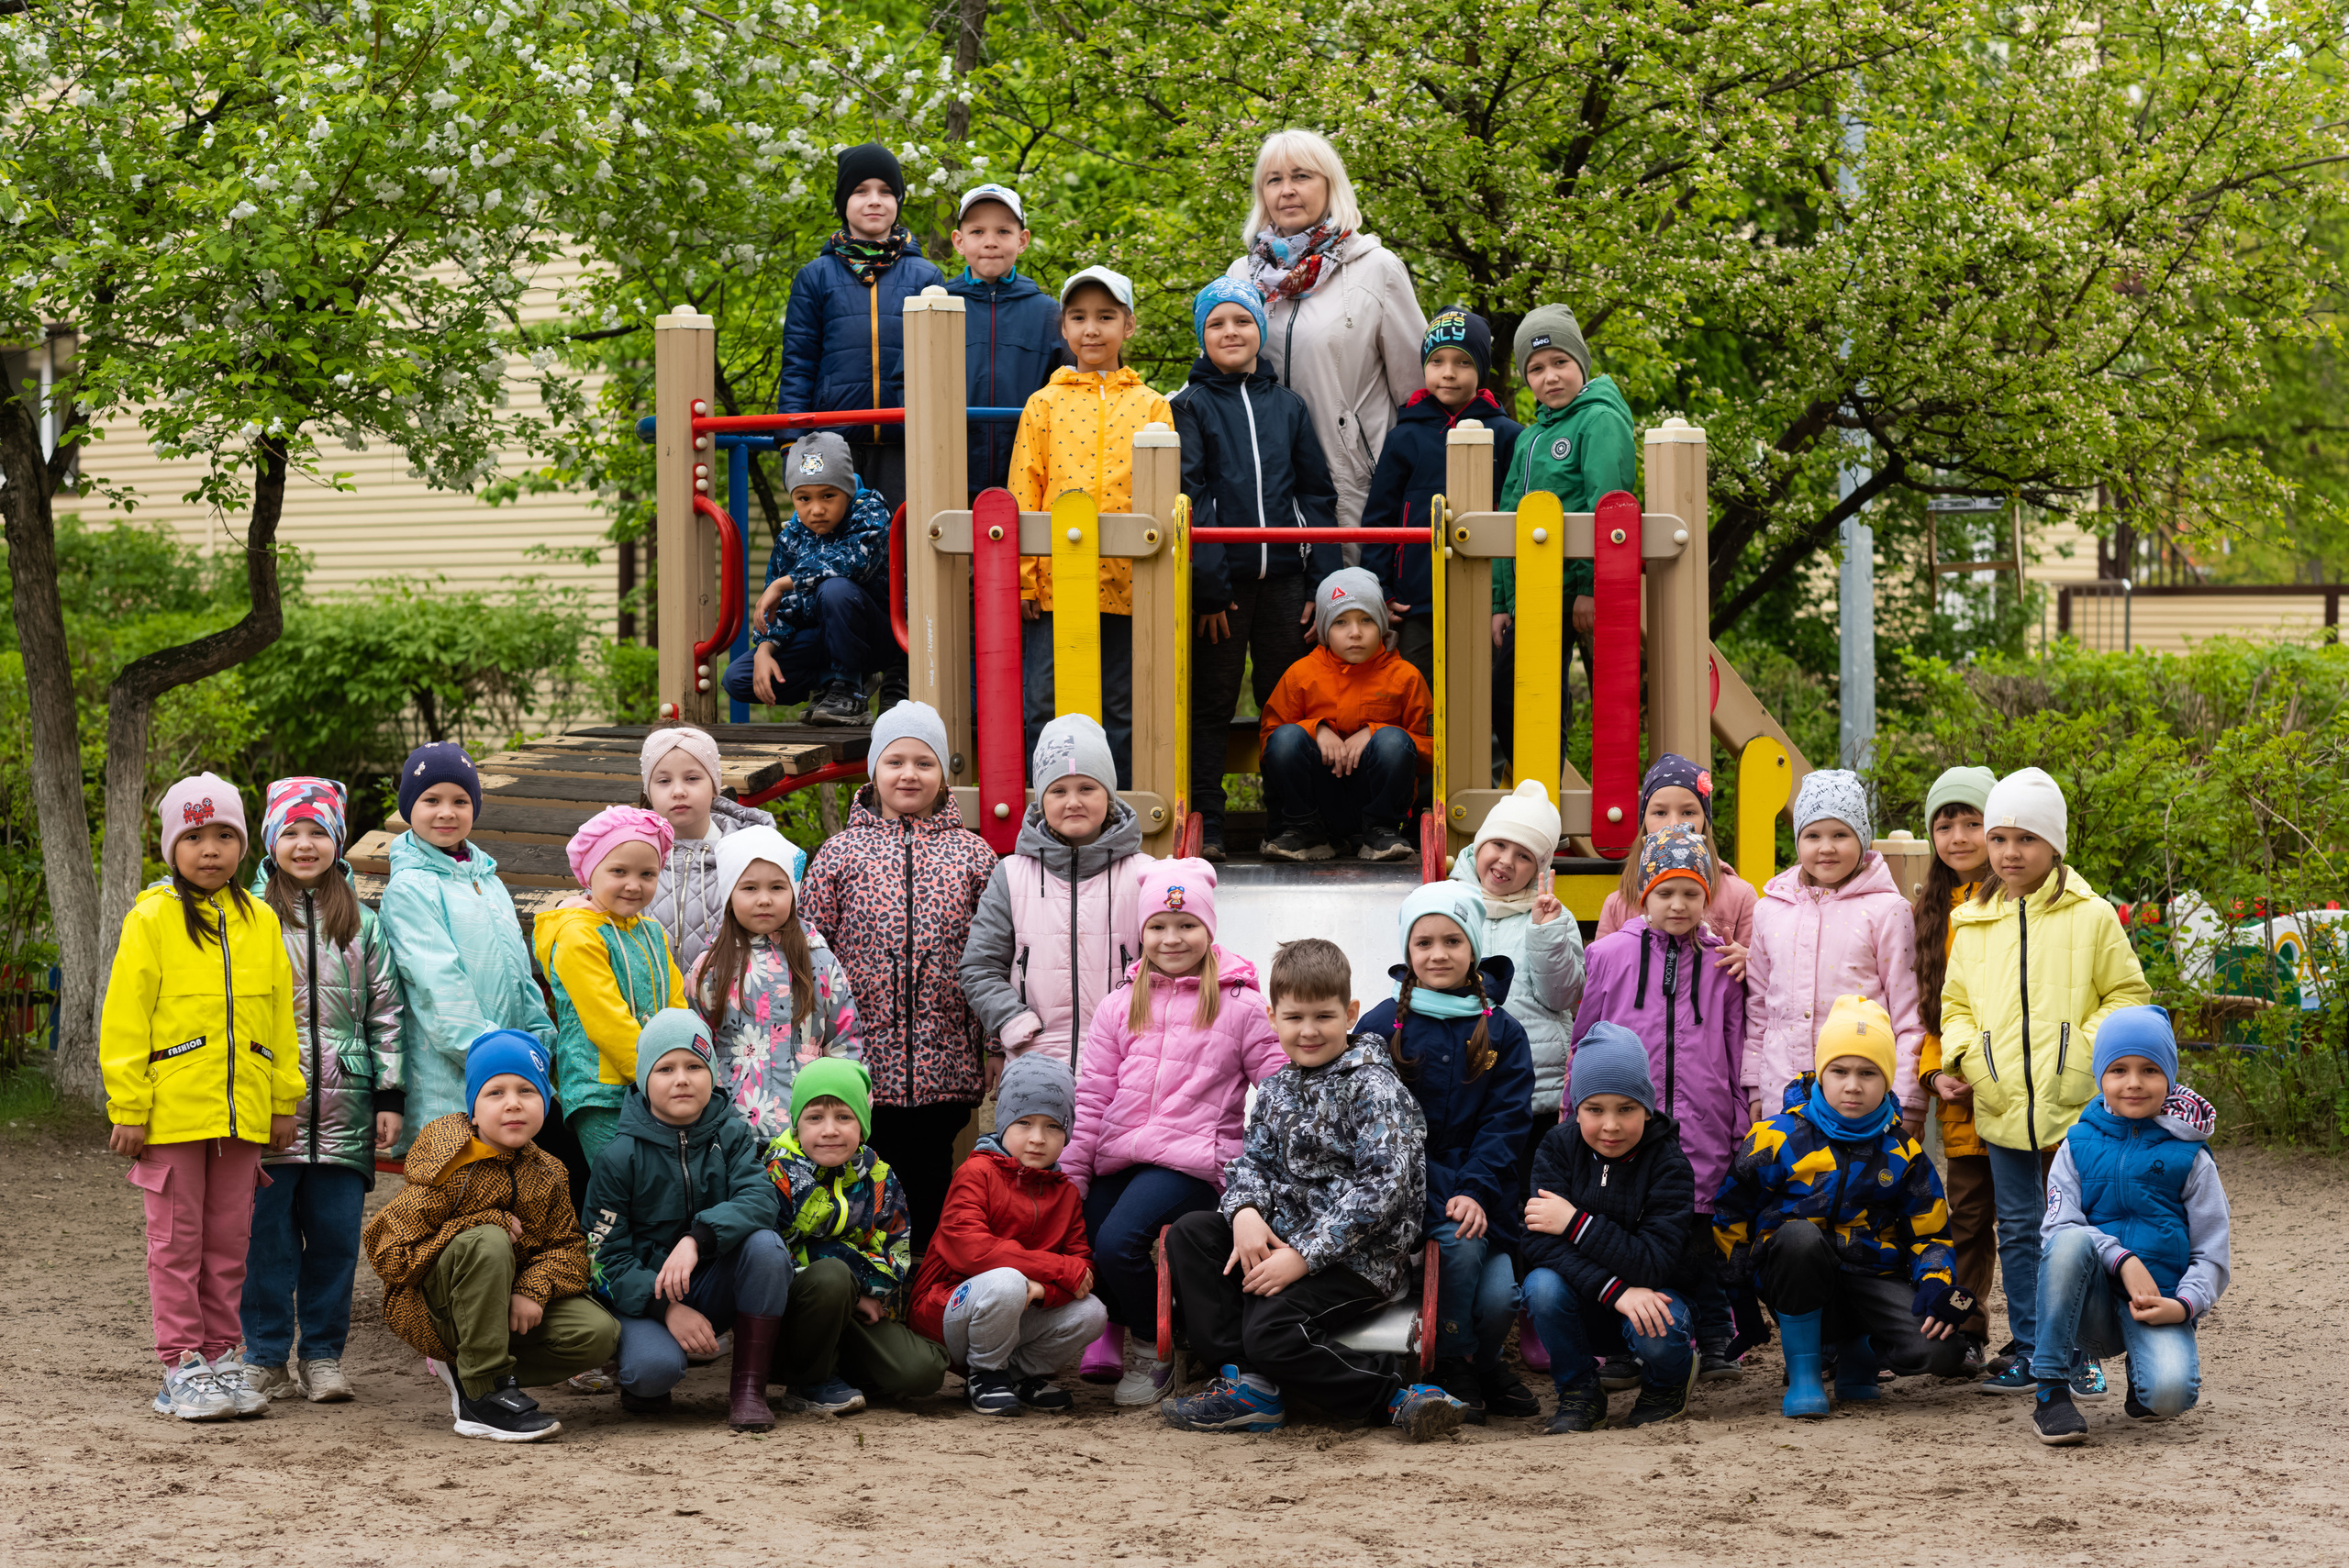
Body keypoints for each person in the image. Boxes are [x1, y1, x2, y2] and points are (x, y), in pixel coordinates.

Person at [1159, 938, 1466, 1441]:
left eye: (1323, 1017)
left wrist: (1304, 1255)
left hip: (1357, 1260)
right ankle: (1250, 1382)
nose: (1308, 1031)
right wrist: (1245, 1213)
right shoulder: (1277, 1089)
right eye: (1294, 1017)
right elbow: (1251, 1163)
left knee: (1272, 1331)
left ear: (1349, 1012)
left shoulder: (1373, 1086)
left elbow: (1382, 1188)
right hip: (1284, 1239)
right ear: (1272, 1017)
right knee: (1191, 1235)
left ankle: (1394, 1398)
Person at [1939, 767, 2154, 1396]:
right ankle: (2035, 1350)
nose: (2009, 852)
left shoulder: (2090, 916)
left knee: (2077, 1232)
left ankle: (2081, 1353)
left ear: (2054, 843)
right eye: (1999, 837)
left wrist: (2082, 1051)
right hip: (2003, 1104)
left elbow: (2128, 994)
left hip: (2077, 1110)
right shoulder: (1973, 919)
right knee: (2021, 1231)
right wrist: (1967, 1056)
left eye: (2025, 838)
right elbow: (1954, 1006)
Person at [103, 774, 304, 1422]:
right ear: (171, 845)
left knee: (228, 1240)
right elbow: (125, 1019)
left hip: (244, 1113)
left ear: (244, 844)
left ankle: (220, 1356)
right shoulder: (151, 918)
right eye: (194, 836)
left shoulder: (260, 919)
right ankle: (180, 1364)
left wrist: (282, 1098)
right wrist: (129, 1106)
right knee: (176, 1240)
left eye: (223, 835)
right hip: (171, 1114)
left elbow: (279, 1017)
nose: (210, 849)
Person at [1062, 860, 1288, 1406]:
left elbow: (1281, 1091)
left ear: (1209, 930)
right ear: (1141, 933)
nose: (1172, 937)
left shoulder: (1241, 1005)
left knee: (1121, 1243)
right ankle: (1144, 1322)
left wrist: (1264, 1166)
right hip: (1122, 1153)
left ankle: (1157, 1344)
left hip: (1193, 1161)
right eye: (1158, 926)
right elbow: (1093, 1095)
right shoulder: (1121, 1004)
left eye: (1186, 925)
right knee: (1088, 1235)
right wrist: (1074, 1173)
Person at [1712, 995, 1975, 1419]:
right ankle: (1806, 1374)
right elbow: (1732, 1210)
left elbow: (1931, 1233)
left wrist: (1934, 1282)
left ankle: (1861, 1352)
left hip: (1873, 1278)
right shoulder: (1775, 1138)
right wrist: (1738, 1288)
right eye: (1840, 1071)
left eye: (1868, 1073)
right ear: (1821, 1074)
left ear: (1887, 1081)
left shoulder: (1904, 1152)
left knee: (1942, 1353)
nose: (1853, 1085)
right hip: (1795, 1275)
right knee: (1798, 1237)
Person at [797, 701, 998, 1252]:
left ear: (944, 773)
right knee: (868, 1184)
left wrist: (997, 1042)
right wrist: (812, 1043)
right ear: (873, 770)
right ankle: (875, 1290)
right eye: (895, 761)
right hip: (862, 1064)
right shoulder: (840, 855)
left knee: (932, 1182)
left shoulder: (973, 856)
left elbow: (998, 957)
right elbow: (811, 955)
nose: (909, 774)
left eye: (924, 762)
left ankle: (927, 1298)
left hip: (946, 1062)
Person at [362, 1031, 619, 1442]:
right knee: (489, 1239)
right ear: (474, 1111)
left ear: (545, 1104)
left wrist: (532, 1290)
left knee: (597, 1334)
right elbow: (388, 1251)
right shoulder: (449, 1164)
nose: (513, 1103)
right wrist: (473, 1225)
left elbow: (569, 1250)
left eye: (527, 1091)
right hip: (434, 1310)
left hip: (501, 1308)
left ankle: (474, 1368)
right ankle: (482, 1396)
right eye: (495, 1092)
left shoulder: (549, 1172)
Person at [240, 777, 405, 1406]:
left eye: (317, 832)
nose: (304, 844)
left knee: (335, 1240)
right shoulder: (251, 916)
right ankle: (264, 1353)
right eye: (291, 831)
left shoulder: (362, 922)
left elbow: (387, 1011)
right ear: (271, 840)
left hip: (347, 1107)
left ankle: (323, 1356)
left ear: (337, 842)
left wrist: (388, 1096)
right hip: (269, 1111)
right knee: (267, 1239)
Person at [1170, 275, 1343, 860]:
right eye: (1216, 323)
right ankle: (1207, 821)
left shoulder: (1289, 406)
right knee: (1211, 701)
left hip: (1287, 584)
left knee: (1287, 700)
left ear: (1260, 331)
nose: (1231, 332)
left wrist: (1322, 582)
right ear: (1202, 337)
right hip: (1224, 589)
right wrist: (1210, 589)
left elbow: (1317, 496)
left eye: (1242, 321)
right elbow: (1193, 496)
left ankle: (1293, 820)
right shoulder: (1187, 406)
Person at [1572, 825, 1747, 1380]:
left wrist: (1740, 1118)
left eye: (1692, 892)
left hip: (1704, 1119)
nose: (1678, 904)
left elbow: (1737, 1044)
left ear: (1708, 897)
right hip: (1628, 1123)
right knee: (1623, 1224)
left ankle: (1717, 1336)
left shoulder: (1724, 966)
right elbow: (1585, 1037)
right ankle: (1620, 1344)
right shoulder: (1608, 956)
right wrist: (1576, 1110)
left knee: (1701, 1234)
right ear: (1644, 893)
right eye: (1666, 891)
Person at [1357, 883, 1537, 1423]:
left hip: (1484, 1189)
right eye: (1424, 942)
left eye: (1453, 941)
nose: (1438, 955)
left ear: (1473, 948)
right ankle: (1453, 1365)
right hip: (1404, 1187)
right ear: (1407, 952)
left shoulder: (1502, 1030)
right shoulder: (1380, 1026)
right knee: (1457, 1245)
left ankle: (1480, 1361)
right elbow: (1375, 1124)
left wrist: (1475, 1189)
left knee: (1501, 1295)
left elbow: (1506, 1123)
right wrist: (1444, 1191)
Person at [2028, 1006, 2230, 1445]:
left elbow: (2212, 1253)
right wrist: (2121, 1259)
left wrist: (2185, 1306)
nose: (2134, 1082)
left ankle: (2145, 1379)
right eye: (2118, 1069)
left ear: (2170, 1078)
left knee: (2170, 1396)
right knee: (2066, 1241)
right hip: (2090, 1305)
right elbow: (2058, 1227)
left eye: (2150, 1069)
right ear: (2100, 1076)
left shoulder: (2191, 1155)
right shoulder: (2076, 1143)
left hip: (2158, 1301)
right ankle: (2051, 1391)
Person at [582, 1010, 791, 1431]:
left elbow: (760, 1199)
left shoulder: (731, 1135)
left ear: (712, 1073)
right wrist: (666, 1308)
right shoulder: (617, 1157)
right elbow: (603, 1261)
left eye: (695, 1066)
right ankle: (645, 1368)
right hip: (647, 1298)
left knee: (766, 1246)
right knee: (651, 1373)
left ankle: (748, 1389)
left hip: (713, 1282)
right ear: (644, 1078)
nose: (682, 1079)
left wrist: (697, 1238)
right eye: (666, 1068)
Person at [1006, 264, 1174, 785]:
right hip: (1056, 584)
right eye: (1078, 317)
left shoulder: (1151, 406)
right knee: (1046, 700)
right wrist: (1024, 578)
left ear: (1129, 325)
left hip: (1128, 582)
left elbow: (1165, 498)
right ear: (1063, 328)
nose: (1091, 329)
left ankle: (1115, 811)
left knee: (1121, 706)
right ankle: (1047, 809)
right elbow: (1023, 490)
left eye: (1105, 317)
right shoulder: (1044, 404)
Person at [1446, 779, 1584, 1376]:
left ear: (1541, 865)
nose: (1506, 861)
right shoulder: (1446, 903)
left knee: (1537, 1205)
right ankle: (1481, 1306)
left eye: (1524, 854)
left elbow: (1564, 994)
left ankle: (1534, 1308)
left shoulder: (1549, 915)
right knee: (1489, 1204)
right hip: (1469, 1089)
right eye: (1497, 846)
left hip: (1536, 1093)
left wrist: (1548, 933)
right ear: (1478, 846)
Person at [1224, 128, 1427, 530]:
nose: (1287, 191)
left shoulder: (1376, 268)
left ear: (1330, 184)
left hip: (1355, 489)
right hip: (1262, 488)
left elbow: (1417, 392)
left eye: (1302, 176)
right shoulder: (1242, 276)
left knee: (1351, 593)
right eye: (1274, 179)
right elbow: (1218, 378)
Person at [1520, 1024, 1706, 1432]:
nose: (1610, 1126)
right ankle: (1580, 1392)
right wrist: (1615, 1290)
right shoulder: (1557, 1147)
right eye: (1594, 1109)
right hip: (1592, 1298)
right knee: (1541, 1285)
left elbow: (1653, 1263)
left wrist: (1573, 1222)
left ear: (1648, 1107)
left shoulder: (1669, 1163)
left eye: (1626, 1109)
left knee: (1662, 1324)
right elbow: (1538, 1243)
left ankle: (1666, 1383)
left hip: (1656, 1295)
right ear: (1576, 1108)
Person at [378, 741, 554, 1153]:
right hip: (453, 1085)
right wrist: (501, 1058)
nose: (446, 812)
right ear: (409, 808)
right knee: (462, 1203)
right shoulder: (410, 889)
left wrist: (539, 1043)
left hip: (507, 1082)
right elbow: (439, 987)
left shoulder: (487, 880)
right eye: (431, 800)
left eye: (460, 800)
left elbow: (518, 971)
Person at [909, 1056, 1108, 1417]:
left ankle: (1017, 1375)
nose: (1037, 1138)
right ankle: (984, 1375)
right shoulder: (976, 1172)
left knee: (1093, 1312)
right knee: (1007, 1281)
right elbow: (971, 1249)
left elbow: (1082, 1267)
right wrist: (1052, 1271)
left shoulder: (1065, 1193)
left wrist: (1044, 1290)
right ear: (1002, 1122)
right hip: (946, 1310)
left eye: (1052, 1126)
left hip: (1017, 1310)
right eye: (1024, 1122)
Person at [959, 714, 1147, 1077]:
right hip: (1035, 1064)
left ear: (1109, 795)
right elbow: (979, 966)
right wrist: (1011, 1020)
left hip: (1126, 1062)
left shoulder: (1144, 874)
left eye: (1087, 789)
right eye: (1058, 791)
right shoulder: (1011, 875)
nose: (1073, 802)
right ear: (1042, 800)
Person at [1490, 305, 1635, 771]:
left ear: (1581, 365)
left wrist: (1592, 588)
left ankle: (1619, 816)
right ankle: (1544, 797)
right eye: (1536, 368)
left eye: (1560, 362)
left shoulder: (1599, 421)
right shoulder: (1530, 437)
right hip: (1533, 595)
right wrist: (1500, 602)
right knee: (1512, 695)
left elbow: (1607, 507)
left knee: (1612, 703)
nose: (1550, 377)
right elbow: (1506, 520)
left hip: (1582, 590)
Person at [764, 1058, 951, 1410]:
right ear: (797, 1124)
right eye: (815, 1117)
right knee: (832, 1276)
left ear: (862, 1126)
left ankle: (848, 1371)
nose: (830, 1130)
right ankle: (809, 1383)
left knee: (924, 1373)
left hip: (857, 1308)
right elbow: (769, 1254)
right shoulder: (777, 1175)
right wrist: (843, 1281)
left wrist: (858, 1291)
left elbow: (896, 1255)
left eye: (844, 1117)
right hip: (794, 1315)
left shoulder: (880, 1177)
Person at [1743, 769, 1924, 1130]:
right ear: (1797, 841)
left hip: (1864, 1099)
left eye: (1840, 834)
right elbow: (1759, 1008)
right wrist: (1754, 1086)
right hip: (1783, 1093)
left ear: (1862, 839)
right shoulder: (1769, 910)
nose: (1826, 847)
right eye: (1812, 835)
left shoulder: (1888, 911)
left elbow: (1909, 1016)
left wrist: (1907, 1101)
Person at [774, 142, 946, 512]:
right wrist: (791, 441)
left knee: (903, 544)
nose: (874, 200)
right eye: (860, 191)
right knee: (839, 547)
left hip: (905, 440)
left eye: (886, 191)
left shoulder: (926, 276)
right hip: (834, 441)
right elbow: (799, 364)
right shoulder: (815, 277)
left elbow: (940, 366)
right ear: (842, 203)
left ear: (898, 201)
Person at [1364, 308, 1525, 690]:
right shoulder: (1405, 436)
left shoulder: (1508, 435)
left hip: (1489, 596)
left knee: (1485, 688)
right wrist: (1382, 590)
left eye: (1463, 362)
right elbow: (1379, 518)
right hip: (1416, 598)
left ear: (1481, 369)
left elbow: (1517, 515)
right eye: (1437, 361)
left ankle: (1490, 754)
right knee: (1416, 690)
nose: (1448, 372)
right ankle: (1422, 752)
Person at [536, 806, 690, 1170]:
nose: (633, 884)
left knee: (660, 1180)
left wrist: (689, 1060)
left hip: (656, 1081)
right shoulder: (578, 934)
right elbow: (606, 1018)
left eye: (647, 874)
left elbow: (676, 1002)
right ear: (591, 872)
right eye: (618, 871)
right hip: (600, 1088)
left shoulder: (650, 931)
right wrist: (658, 1074)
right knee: (623, 1184)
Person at [690, 822, 863, 1141]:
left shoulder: (819, 959)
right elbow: (698, 1047)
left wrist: (849, 1107)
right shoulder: (712, 965)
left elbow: (845, 1041)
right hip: (733, 1126)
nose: (765, 899)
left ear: (794, 893)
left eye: (777, 888)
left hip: (810, 1125)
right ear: (729, 893)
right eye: (750, 888)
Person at [1911, 764, 2000, 1369]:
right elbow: (1931, 1009)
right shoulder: (1930, 906)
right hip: (1960, 1094)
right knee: (1966, 1218)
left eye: (1974, 822)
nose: (1961, 836)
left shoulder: (2011, 898)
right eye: (1947, 824)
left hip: (2019, 1088)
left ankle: (2044, 1329)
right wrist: (1933, 1071)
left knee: (2031, 1217)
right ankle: (1967, 1321)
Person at [1256, 566, 1431, 862]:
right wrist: (1317, 730)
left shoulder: (1405, 677)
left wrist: (1375, 732)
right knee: (1286, 737)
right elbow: (1269, 741)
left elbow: (1429, 749)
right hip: (1316, 801)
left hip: (1374, 800)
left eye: (1366, 620)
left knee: (1392, 739)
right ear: (1324, 630)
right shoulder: (1302, 674)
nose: (1355, 633)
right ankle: (1305, 831)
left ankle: (1381, 832)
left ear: (1382, 625)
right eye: (1340, 622)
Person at [725, 432, 900, 726]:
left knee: (835, 589)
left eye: (828, 496)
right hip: (825, 638)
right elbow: (782, 609)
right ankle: (830, 684)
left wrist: (785, 582)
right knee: (739, 678)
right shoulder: (792, 535)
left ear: (846, 490)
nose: (816, 509)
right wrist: (766, 648)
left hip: (874, 635)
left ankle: (849, 690)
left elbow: (854, 563)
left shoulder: (869, 510)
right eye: (804, 498)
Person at [639, 725, 804, 973]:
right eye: (663, 781)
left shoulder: (752, 851)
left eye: (692, 778)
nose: (679, 791)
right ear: (648, 790)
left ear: (715, 785)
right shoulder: (632, 850)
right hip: (647, 1001)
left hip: (731, 1000)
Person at [945, 183, 1063, 496]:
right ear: (959, 241)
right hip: (952, 466)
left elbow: (1066, 388)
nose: (990, 242)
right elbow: (908, 383)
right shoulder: (938, 306)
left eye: (1003, 231)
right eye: (977, 232)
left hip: (1028, 468)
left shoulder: (1048, 314)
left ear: (1022, 240)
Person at [1595, 753, 1758, 964]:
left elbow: (1761, 979)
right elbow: (1598, 974)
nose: (1674, 823)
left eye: (1688, 812)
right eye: (1660, 813)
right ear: (1644, 821)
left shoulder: (1740, 896)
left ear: (1705, 821)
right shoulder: (1620, 903)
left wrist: (1750, 961)